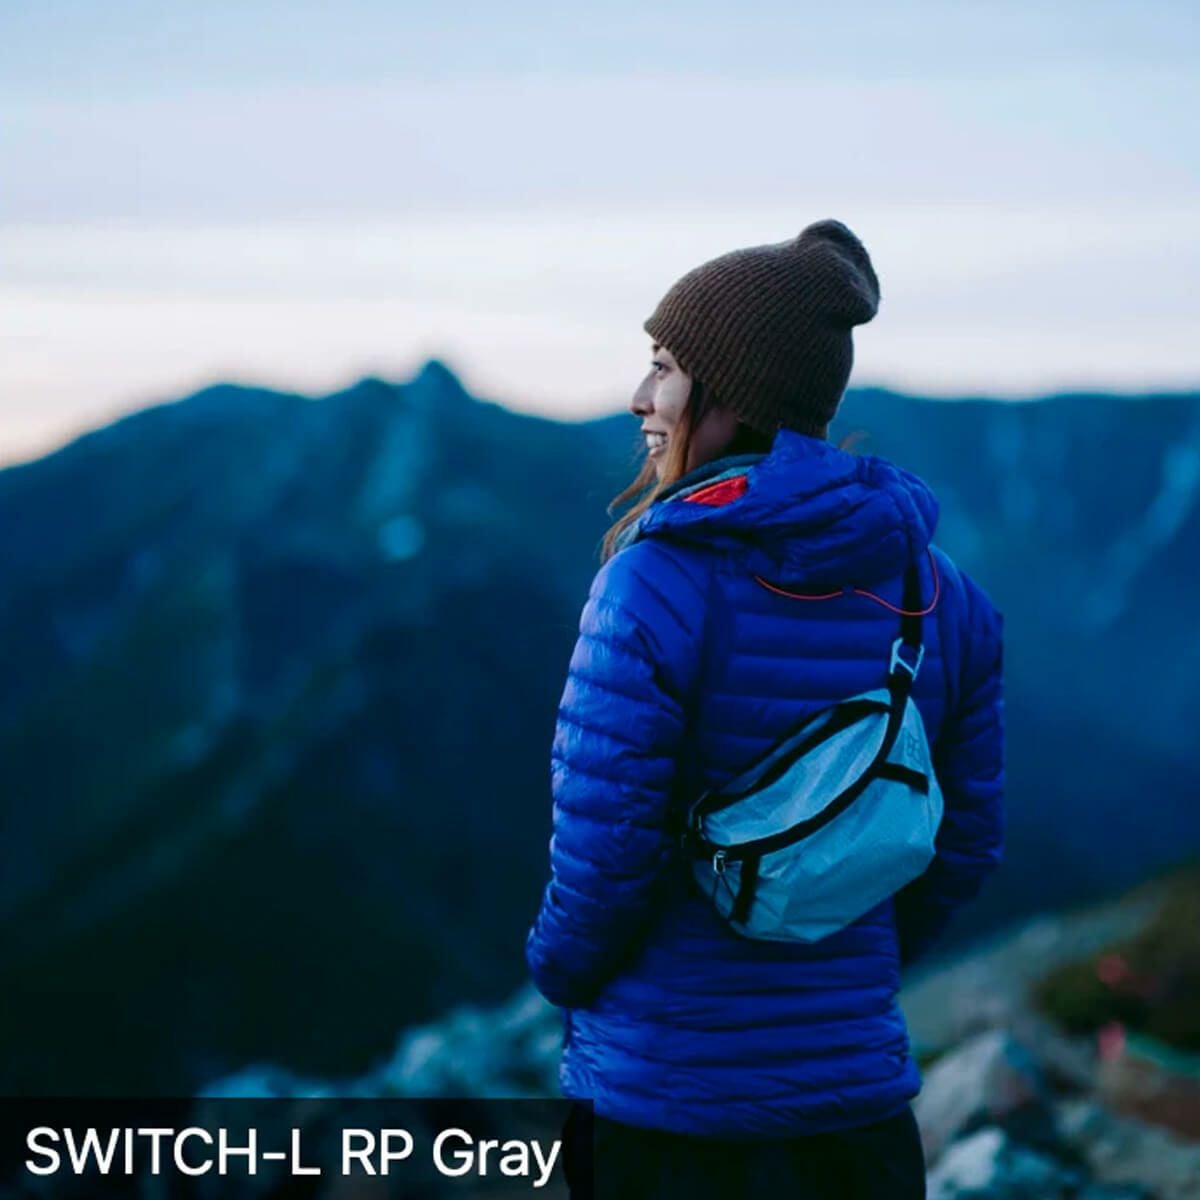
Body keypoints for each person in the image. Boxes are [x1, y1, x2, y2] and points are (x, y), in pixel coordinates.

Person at [525, 219, 1005, 1198]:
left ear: (731, 393)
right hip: (861, 1123)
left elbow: (605, 858)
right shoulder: (946, 597)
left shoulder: (649, 587)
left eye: (666, 368)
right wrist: (845, 957)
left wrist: (557, 973)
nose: (641, 395)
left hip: (669, 1114)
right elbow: (963, 846)